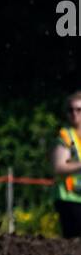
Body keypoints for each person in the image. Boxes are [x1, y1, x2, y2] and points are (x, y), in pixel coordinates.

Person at [52, 92, 81, 237]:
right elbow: (59, 167)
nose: (74, 114)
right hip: (69, 199)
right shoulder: (65, 136)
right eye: (70, 110)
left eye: (79, 110)